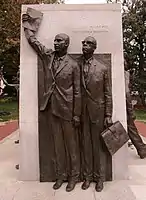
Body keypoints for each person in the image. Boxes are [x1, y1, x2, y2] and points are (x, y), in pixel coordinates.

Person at [22, 8, 81, 192]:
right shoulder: (48, 57)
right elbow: (34, 42)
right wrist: (28, 26)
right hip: (52, 106)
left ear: (66, 44)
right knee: (57, 145)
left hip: (69, 109)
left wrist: (77, 114)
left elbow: (78, 91)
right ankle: (60, 175)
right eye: (55, 40)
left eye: (59, 40)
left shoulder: (73, 65)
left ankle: (74, 176)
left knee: (71, 146)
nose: (55, 43)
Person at [78, 36, 113, 192]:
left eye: (88, 43)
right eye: (83, 43)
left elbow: (108, 93)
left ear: (94, 47)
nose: (85, 45)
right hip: (82, 112)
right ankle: (87, 177)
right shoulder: (76, 65)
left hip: (98, 112)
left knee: (98, 147)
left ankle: (100, 178)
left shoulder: (102, 68)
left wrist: (108, 114)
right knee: (85, 146)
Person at [124, 60, 146, 159]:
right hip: (124, 105)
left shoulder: (125, 74)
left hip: (125, 105)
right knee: (131, 129)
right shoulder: (125, 74)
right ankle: (141, 148)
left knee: (131, 128)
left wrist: (130, 110)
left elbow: (127, 93)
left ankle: (141, 149)